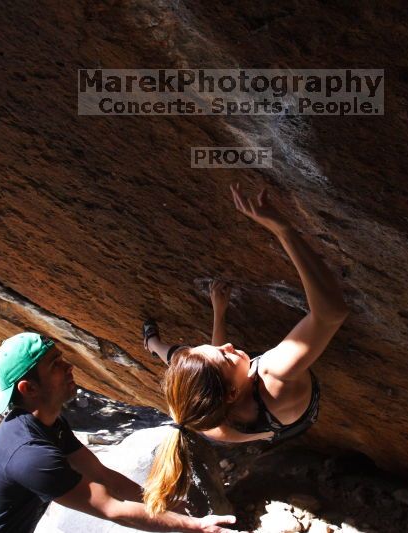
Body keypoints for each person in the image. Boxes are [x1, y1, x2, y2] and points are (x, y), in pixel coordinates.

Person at [142, 184, 349, 514]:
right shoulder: (273, 373)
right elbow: (331, 312)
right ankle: (158, 347)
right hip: (296, 407)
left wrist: (219, 312)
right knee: (187, 357)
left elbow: (210, 365)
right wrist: (283, 229)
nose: (225, 345)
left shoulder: (201, 418)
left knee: (180, 355)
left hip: (273, 425)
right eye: (225, 355)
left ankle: (152, 344)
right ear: (229, 394)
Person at [0, 332, 239, 533]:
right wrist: (196, 526)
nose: (69, 366)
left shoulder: (48, 425)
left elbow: (102, 475)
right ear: (28, 389)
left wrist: (160, 501)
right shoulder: (29, 454)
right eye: (55, 364)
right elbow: (111, 508)